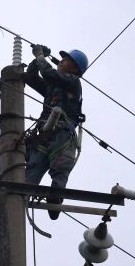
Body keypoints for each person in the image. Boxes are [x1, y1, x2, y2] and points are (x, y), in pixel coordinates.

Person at [23, 44, 88, 219]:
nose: (61, 61)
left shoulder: (73, 82)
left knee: (60, 169)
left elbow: (49, 73)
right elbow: (30, 77)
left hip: (62, 134)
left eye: (65, 60)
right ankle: (19, 195)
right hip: (44, 134)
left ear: (75, 68)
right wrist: (37, 60)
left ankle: (55, 199)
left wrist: (40, 57)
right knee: (31, 170)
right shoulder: (53, 87)